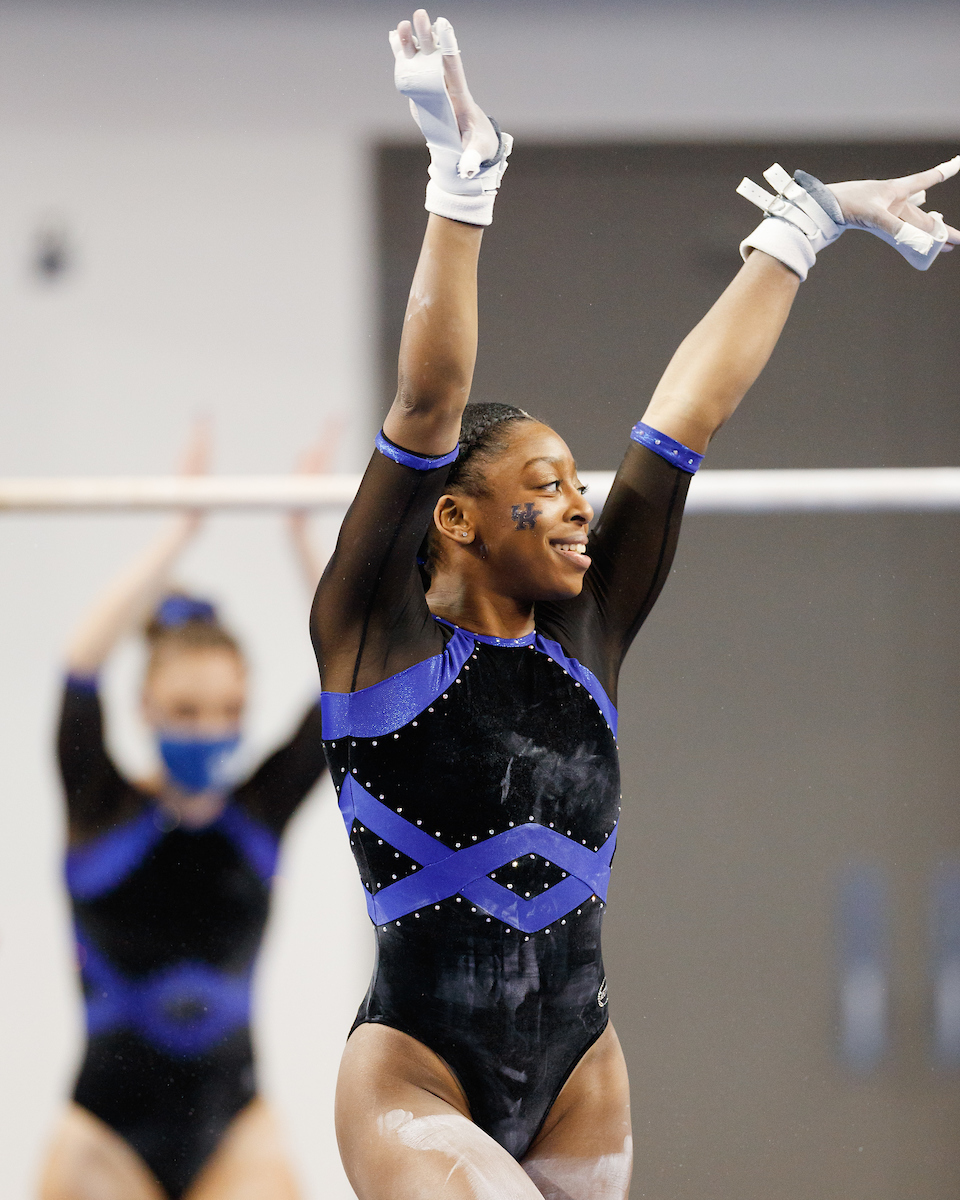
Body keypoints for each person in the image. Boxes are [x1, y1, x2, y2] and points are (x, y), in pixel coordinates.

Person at [310, 11, 960, 1200]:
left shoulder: (590, 631)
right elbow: (428, 400)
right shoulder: (371, 638)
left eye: (578, 487)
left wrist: (809, 222)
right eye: (542, 487)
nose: (575, 509)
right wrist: (462, 182)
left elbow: (686, 416)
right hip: (416, 1076)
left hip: (581, 1068)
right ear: (455, 519)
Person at [40, 430, 334, 1200]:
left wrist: (302, 538)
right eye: (186, 710)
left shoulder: (259, 811)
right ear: (146, 706)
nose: (209, 731)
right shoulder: (97, 806)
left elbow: (350, 676)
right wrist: (175, 532)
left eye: (227, 711)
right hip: (104, 1134)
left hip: (235, 1126)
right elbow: (79, 666)